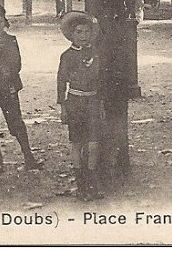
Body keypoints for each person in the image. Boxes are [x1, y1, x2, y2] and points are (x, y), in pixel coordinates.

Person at [0, 3, 43, 174]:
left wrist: (7, 78)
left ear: (4, 21)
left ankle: (28, 157)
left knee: (16, 123)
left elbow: (16, 64)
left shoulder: (11, 41)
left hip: (8, 89)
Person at [56, 11, 104, 201]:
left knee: (93, 145)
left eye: (86, 31)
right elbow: (61, 82)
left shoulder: (96, 54)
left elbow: (101, 81)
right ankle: (81, 184)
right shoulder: (67, 56)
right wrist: (63, 107)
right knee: (77, 144)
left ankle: (92, 183)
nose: (83, 35)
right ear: (72, 34)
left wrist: (100, 103)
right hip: (75, 102)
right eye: (79, 32)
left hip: (92, 102)